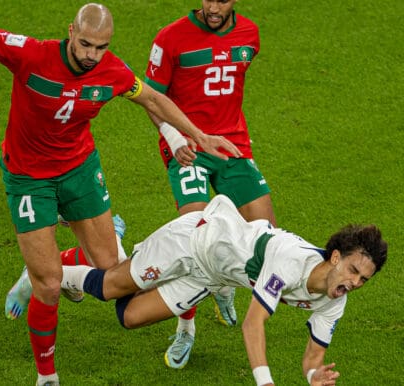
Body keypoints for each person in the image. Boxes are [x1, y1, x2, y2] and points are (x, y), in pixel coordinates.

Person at [0, 4, 242, 385]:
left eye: (101, 47)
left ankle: (51, 267)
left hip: (80, 171)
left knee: (111, 274)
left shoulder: (113, 71)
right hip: (30, 180)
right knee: (48, 285)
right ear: (70, 32)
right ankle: (47, 376)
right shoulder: (30, 53)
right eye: (86, 44)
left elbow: (153, 100)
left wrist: (198, 135)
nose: (92, 55)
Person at [58, 194, 388, 386]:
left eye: (363, 280)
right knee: (108, 288)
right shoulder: (290, 260)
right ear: (334, 258)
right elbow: (253, 323)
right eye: (353, 270)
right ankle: (50, 275)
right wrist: (266, 382)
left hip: (210, 277)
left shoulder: (334, 302)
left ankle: (117, 247)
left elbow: (314, 357)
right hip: (193, 240)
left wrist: (314, 375)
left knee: (129, 317)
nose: (355, 283)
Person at [143, 0, 277, 368]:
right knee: (192, 237)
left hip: (233, 145)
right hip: (187, 146)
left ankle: (219, 284)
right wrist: (175, 138)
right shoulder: (170, 39)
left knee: (266, 237)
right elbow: (151, 99)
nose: (214, 6)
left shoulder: (250, 35)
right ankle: (186, 331)